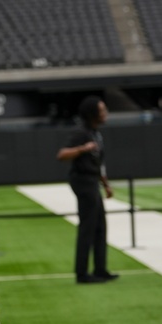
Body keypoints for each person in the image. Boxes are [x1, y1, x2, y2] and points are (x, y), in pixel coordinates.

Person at [57, 97, 118, 284]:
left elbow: (98, 163)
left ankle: (100, 269)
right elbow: (62, 155)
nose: (105, 113)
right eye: (102, 110)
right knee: (88, 227)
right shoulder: (81, 133)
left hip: (92, 181)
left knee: (100, 226)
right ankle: (82, 274)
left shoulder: (95, 133)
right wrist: (83, 148)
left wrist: (105, 184)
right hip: (82, 181)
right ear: (93, 114)